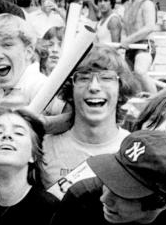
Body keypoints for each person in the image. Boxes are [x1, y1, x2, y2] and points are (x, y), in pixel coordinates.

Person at [41, 46, 136, 198]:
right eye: (83, 78)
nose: (94, 87)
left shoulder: (133, 152)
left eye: (106, 78)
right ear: (70, 91)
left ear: (120, 90)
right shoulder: (43, 149)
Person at [120, 0, 159, 95]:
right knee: (130, 81)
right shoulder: (127, 5)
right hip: (131, 46)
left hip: (145, 44)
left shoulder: (147, 3)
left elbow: (149, 27)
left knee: (140, 71)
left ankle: (157, 101)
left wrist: (128, 40)